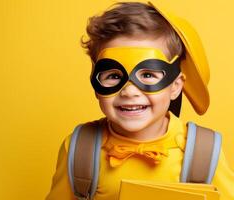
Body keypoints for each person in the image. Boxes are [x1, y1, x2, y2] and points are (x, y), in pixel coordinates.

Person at [45, 2, 234, 200]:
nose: (129, 91)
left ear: (175, 86)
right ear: (96, 85)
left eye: (148, 75)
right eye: (113, 76)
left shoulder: (204, 153)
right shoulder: (79, 150)